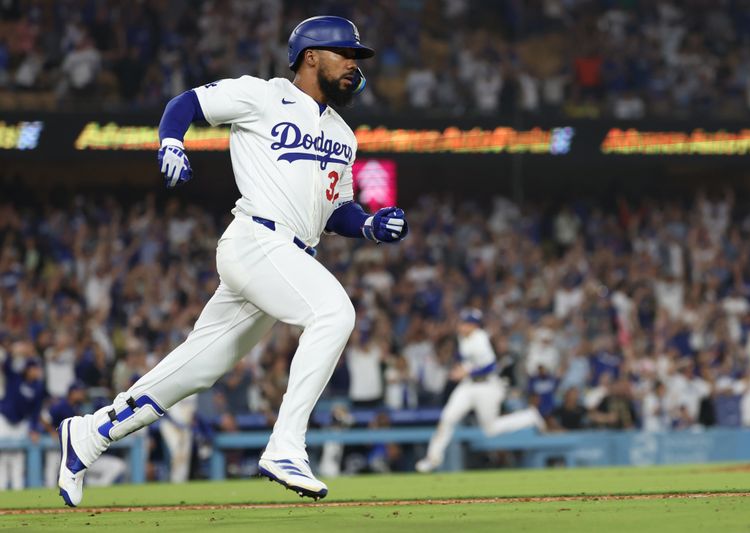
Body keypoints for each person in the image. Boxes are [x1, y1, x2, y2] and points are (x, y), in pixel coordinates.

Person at [57, 15, 408, 506]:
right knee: (334, 312)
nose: (354, 64)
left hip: (286, 257)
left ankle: (90, 432)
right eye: (345, 54)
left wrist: (368, 224)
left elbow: (335, 210)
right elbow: (187, 104)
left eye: (357, 58)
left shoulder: (344, 136)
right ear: (311, 57)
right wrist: (171, 141)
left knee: (196, 369)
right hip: (255, 240)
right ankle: (286, 446)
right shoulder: (263, 96)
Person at [415, 309, 546, 473]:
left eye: (465, 323)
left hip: (487, 387)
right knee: (447, 417)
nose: (461, 325)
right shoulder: (464, 338)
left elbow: (491, 366)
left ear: (473, 325)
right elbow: (466, 359)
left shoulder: (480, 339)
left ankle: (529, 416)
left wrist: (466, 371)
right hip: (469, 386)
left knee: (490, 429)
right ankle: (433, 458)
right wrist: (461, 368)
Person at [0, 343, 45, 490]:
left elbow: (36, 411)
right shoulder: (15, 378)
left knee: (18, 458)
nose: (36, 371)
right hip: (5, 420)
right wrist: (14, 352)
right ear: (27, 369)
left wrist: (33, 429)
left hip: (20, 423)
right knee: (3, 458)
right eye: (33, 368)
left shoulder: (38, 387)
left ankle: (17, 491)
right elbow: (6, 365)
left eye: (37, 368)